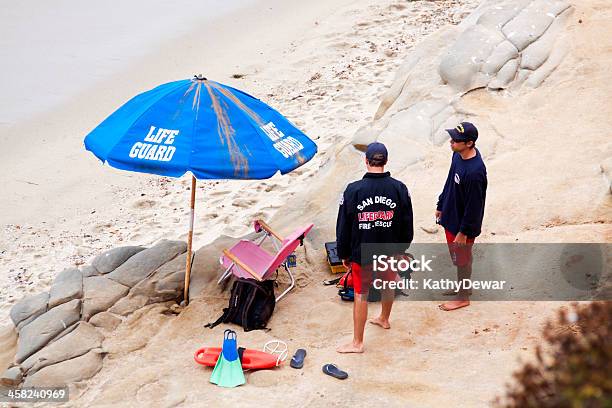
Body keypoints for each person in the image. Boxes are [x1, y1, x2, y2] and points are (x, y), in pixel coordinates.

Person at [335, 142, 413, 353]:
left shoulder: (353, 190)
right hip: (391, 249)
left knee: (361, 294)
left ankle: (357, 343)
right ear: (386, 161)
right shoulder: (399, 188)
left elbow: (343, 226)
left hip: (363, 252)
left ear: (366, 161)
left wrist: (344, 253)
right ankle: (384, 319)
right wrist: (402, 248)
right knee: (388, 283)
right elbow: (407, 223)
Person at [436, 122, 487, 311]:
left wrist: (463, 233)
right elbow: (449, 180)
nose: (451, 142)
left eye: (456, 140)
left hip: (463, 224)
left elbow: (475, 206)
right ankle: (463, 286)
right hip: (451, 215)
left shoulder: (475, 172)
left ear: (469, 143)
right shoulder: (458, 155)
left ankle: (463, 297)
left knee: (462, 257)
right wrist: (441, 204)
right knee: (459, 257)